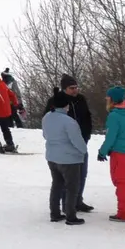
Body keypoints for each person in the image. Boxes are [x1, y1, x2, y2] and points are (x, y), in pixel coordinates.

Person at [42, 93, 88, 225]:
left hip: (52, 156)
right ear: (66, 105)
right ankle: (71, 216)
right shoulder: (69, 121)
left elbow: (45, 135)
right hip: (69, 159)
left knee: (56, 185)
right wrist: (83, 151)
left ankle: (55, 213)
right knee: (72, 187)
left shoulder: (47, 117)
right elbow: (77, 141)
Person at [98, 85, 125, 222]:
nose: (106, 100)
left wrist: (102, 152)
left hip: (120, 153)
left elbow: (110, 137)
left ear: (113, 99)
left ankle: (124, 213)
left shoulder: (114, 116)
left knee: (121, 183)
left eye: (108, 97)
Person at [56, 75, 95, 212]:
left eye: (76, 87)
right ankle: (67, 203)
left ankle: (78, 200)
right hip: (66, 145)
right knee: (68, 176)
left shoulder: (81, 99)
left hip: (81, 142)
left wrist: (86, 136)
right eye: (71, 88)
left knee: (82, 173)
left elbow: (87, 118)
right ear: (64, 89)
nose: (75, 90)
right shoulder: (58, 101)